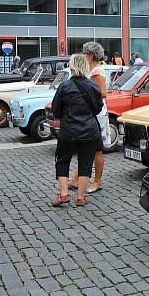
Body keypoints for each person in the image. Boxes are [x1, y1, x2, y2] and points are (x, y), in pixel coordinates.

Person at [50, 54, 103, 207]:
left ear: (71, 67)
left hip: (68, 131)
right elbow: (98, 109)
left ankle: (64, 194)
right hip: (89, 131)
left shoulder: (64, 86)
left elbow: (56, 110)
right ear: (86, 67)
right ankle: (80, 197)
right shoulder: (93, 86)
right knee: (85, 163)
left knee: (62, 161)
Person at [75, 42, 108, 194]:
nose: (82, 55)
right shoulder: (90, 70)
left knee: (96, 150)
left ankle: (97, 181)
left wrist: (85, 94)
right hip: (90, 114)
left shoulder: (96, 72)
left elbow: (103, 93)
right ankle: (76, 179)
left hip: (97, 115)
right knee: (86, 148)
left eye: (84, 53)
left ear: (90, 56)